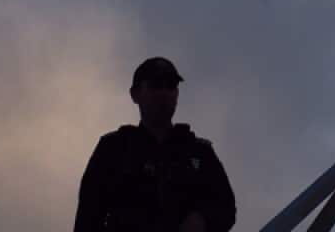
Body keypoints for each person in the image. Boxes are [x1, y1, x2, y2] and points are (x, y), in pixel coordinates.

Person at [74, 57, 237, 232]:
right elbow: (87, 219)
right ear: (135, 94)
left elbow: (226, 208)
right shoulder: (113, 148)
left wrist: (202, 219)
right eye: (156, 85)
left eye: (171, 85)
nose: (164, 92)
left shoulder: (199, 151)